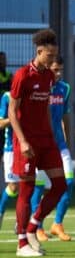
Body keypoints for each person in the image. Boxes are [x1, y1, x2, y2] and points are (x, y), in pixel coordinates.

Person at [9, 29, 67, 257]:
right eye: (49, 56)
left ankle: (33, 226)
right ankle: (22, 243)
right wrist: (22, 141)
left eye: (55, 56)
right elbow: (13, 111)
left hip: (46, 140)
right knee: (27, 188)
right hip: (26, 141)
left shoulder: (48, 77)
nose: (53, 61)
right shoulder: (23, 75)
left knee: (61, 185)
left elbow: (43, 108)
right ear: (39, 51)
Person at [29, 56, 73, 242]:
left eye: (60, 70)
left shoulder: (65, 88)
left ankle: (57, 224)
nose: (58, 73)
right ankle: (37, 226)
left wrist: (67, 139)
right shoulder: (39, 86)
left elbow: (65, 116)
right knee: (39, 188)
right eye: (55, 69)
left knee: (68, 183)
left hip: (60, 145)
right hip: (41, 146)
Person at [0, 90, 18, 230]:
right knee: (14, 186)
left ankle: (22, 222)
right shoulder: (7, 97)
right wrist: (14, 119)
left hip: (30, 148)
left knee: (33, 186)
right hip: (11, 149)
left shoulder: (33, 94)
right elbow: (0, 123)